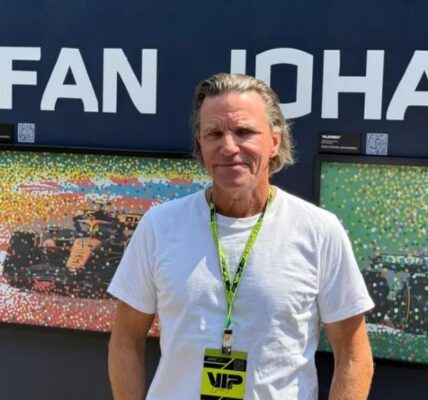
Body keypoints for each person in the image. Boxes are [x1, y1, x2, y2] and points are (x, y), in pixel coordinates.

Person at [108, 73, 375, 400]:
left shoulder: (319, 231)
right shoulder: (159, 226)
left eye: (244, 132)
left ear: (274, 140)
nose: (228, 146)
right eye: (214, 134)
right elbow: (125, 341)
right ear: (200, 142)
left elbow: (353, 355)